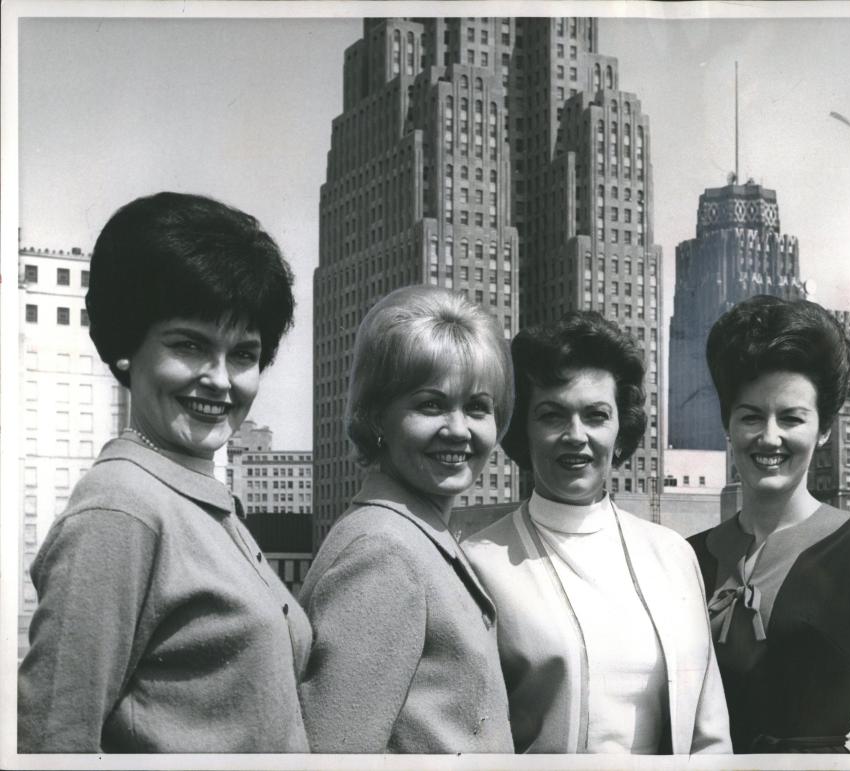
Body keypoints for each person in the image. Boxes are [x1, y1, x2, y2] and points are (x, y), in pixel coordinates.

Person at [18, 192, 310, 753]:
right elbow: (51, 739)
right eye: (189, 345)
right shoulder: (121, 511)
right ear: (128, 345)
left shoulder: (199, 503)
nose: (220, 380)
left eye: (244, 354)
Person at [462, 311, 730, 754]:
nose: (575, 435)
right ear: (521, 430)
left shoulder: (672, 555)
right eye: (551, 415)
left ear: (620, 430)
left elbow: (710, 733)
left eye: (596, 415)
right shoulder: (480, 563)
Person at [688, 294, 850, 753]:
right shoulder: (687, 558)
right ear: (727, 424)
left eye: (791, 418)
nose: (769, 437)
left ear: (823, 429)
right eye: (750, 417)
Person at [298, 286, 515, 754]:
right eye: (430, 405)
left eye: (478, 407)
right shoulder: (383, 553)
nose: (458, 430)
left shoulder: (420, 536)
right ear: (377, 416)